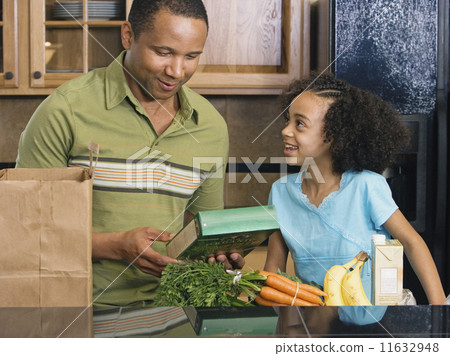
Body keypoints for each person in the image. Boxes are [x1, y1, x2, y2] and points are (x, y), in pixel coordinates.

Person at [16, 0, 243, 309]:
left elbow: (202, 228)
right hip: (75, 310)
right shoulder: (65, 110)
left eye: (191, 56)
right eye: (163, 52)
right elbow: (22, 228)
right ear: (127, 35)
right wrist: (116, 246)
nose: (177, 71)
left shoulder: (210, 127)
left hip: (173, 312)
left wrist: (219, 251)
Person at [264, 73, 446, 308]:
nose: (285, 131)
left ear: (334, 134)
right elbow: (274, 270)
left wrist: (439, 309)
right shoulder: (280, 193)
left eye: (299, 123)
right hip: (314, 319)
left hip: (376, 317)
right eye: (287, 121)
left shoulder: (366, 186)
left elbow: (412, 243)